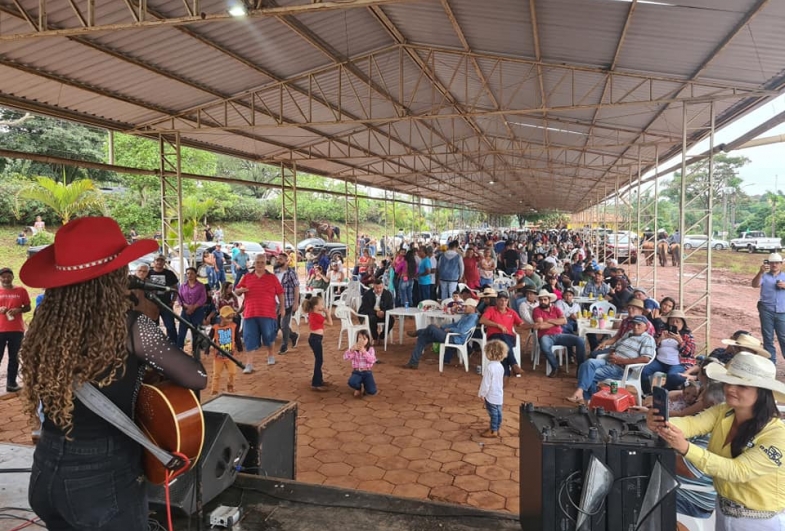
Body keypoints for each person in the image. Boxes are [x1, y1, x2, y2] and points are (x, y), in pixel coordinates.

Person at [19, 216, 206, 531]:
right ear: (115, 276)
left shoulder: (45, 321)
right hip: (102, 480)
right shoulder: (131, 326)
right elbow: (196, 377)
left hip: (46, 470)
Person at [649, 352, 785, 530]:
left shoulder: (777, 436)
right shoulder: (725, 410)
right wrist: (661, 421)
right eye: (728, 382)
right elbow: (692, 423)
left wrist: (686, 448)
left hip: (760, 522)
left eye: (742, 386)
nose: (730, 389)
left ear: (762, 392)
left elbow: (737, 471)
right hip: (722, 510)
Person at [566, 316, 655, 404]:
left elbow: (646, 358)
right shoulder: (629, 333)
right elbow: (614, 346)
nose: (636, 327)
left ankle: (586, 397)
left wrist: (621, 361)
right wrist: (612, 353)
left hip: (621, 369)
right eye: (634, 324)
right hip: (610, 361)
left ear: (646, 327)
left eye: (639, 325)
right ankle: (584, 396)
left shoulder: (647, 339)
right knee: (586, 364)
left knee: (589, 374)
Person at [235, 254, 285, 371]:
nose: (260, 265)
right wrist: (240, 290)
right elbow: (237, 291)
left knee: (268, 335)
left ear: (265, 264)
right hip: (250, 312)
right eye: (258, 262)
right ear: (254, 263)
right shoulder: (247, 276)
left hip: (267, 312)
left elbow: (280, 293)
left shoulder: (272, 277)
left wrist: (282, 308)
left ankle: (270, 354)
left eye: (262, 262)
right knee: (249, 337)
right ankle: (249, 364)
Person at [403, 298, 479, 369]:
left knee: (431, 327)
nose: (463, 308)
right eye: (464, 306)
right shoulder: (466, 316)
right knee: (422, 338)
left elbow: (462, 330)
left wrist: (450, 329)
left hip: (455, 338)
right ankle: (413, 362)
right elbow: (455, 324)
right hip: (451, 335)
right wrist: (442, 327)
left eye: (466, 306)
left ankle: (418, 332)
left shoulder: (473, 318)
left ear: (472, 307)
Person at [532, 289, 586, 376]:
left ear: (549, 300)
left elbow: (564, 321)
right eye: (541, 300)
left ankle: (581, 368)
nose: (543, 302)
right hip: (545, 336)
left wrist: (549, 321)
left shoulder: (556, 309)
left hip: (559, 335)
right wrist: (556, 322)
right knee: (545, 347)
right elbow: (541, 326)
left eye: (545, 299)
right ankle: (555, 367)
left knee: (580, 340)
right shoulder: (536, 310)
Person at [641, 309, 696, 393]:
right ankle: (647, 392)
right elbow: (652, 346)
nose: (674, 323)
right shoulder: (662, 331)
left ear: (683, 324)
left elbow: (689, 353)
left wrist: (680, 341)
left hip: (678, 364)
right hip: (660, 361)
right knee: (643, 371)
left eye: (678, 322)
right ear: (668, 322)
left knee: (673, 376)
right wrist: (659, 339)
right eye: (672, 321)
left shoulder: (687, 335)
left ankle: (663, 391)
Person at [478, 291, 525, 376]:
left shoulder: (512, 312)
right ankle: (513, 364)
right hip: (493, 336)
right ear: (497, 301)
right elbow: (482, 320)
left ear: (507, 301)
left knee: (503, 343)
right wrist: (498, 325)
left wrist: (534, 325)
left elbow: (521, 324)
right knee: (502, 340)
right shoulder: (491, 310)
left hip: (509, 337)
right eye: (501, 300)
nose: (503, 302)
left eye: (505, 300)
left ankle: (506, 373)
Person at [0, 267, 31, 392]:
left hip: (16, 330)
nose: (6, 278)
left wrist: (19, 310)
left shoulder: (21, 290)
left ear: (12, 277)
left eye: (8, 276)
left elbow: (28, 307)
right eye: (3, 276)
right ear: (0, 278)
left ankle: (11, 384)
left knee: (14, 357)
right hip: (0, 330)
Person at [751, 252, 785, 364]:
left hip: (782, 311)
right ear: (768, 264)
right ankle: (771, 364)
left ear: (781, 264)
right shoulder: (764, 276)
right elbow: (754, 285)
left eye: (777, 263)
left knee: (783, 338)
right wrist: (760, 272)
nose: (774, 265)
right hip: (766, 310)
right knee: (768, 338)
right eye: (772, 263)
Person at [301, 295, 333, 392]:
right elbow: (330, 323)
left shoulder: (313, 313)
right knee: (319, 361)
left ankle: (319, 380)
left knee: (319, 360)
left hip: (314, 339)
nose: (323, 306)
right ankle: (316, 383)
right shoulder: (317, 316)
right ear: (315, 306)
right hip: (316, 339)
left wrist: (322, 310)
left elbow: (319, 313)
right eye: (321, 304)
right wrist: (327, 313)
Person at [208, 306, 243, 395]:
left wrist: (239, 347)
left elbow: (237, 338)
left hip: (230, 356)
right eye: (228, 317)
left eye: (231, 317)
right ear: (222, 317)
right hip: (218, 357)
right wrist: (207, 348)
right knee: (216, 375)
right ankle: (214, 390)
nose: (230, 320)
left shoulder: (234, 326)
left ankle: (230, 385)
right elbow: (209, 338)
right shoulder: (215, 327)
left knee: (232, 372)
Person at [478, 340, 506, 438]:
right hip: (499, 395)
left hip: (491, 396)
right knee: (498, 413)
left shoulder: (490, 367)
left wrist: (482, 394)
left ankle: (493, 431)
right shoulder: (501, 366)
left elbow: (486, 383)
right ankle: (496, 428)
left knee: (493, 414)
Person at [275, 252, 300, 355]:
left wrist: (295, 302)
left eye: (280, 259)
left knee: (284, 324)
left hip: (288, 302)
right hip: (277, 302)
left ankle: (284, 346)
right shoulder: (275, 271)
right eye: (278, 259)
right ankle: (293, 335)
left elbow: (296, 287)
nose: (278, 260)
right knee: (277, 324)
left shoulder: (291, 273)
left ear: (286, 261)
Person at [177, 267, 207, 349]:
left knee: (196, 333)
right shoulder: (183, 286)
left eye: (192, 273)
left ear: (195, 274)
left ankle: (195, 352)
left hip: (197, 311)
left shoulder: (201, 286)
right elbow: (179, 298)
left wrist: (194, 307)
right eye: (188, 273)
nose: (189, 275)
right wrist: (187, 306)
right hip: (185, 311)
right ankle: (179, 351)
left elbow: (203, 298)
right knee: (181, 333)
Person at [358, 279, 394, 344]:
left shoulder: (388, 294)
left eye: (380, 288)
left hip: (383, 313)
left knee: (391, 320)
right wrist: (376, 313)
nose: (379, 290)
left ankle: (382, 336)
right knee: (372, 319)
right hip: (371, 313)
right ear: (373, 287)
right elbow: (365, 308)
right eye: (377, 288)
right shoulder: (367, 294)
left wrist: (384, 312)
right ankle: (375, 337)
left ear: (383, 286)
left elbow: (390, 307)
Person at [343, 330, 377, 398]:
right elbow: (345, 357)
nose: (362, 340)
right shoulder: (354, 349)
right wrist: (351, 350)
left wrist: (364, 352)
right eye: (360, 338)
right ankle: (358, 388)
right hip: (357, 372)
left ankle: (366, 387)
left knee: (372, 391)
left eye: (364, 339)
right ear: (357, 339)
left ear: (368, 340)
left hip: (367, 372)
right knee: (352, 382)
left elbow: (372, 360)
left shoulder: (370, 349)